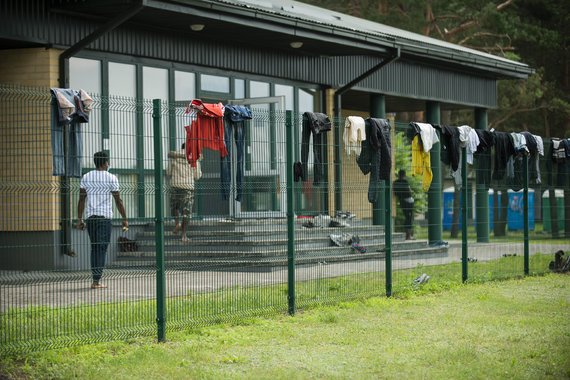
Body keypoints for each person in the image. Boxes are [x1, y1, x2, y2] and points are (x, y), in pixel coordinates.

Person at [77, 151, 128, 289]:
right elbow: (118, 200)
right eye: (108, 162)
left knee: (95, 247)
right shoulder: (111, 178)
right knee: (102, 248)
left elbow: (82, 199)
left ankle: (95, 278)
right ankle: (96, 280)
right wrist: (124, 218)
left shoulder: (86, 177)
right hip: (104, 218)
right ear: (105, 162)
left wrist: (79, 219)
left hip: (90, 218)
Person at [167, 143, 201, 242]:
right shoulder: (194, 158)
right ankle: (183, 235)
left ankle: (177, 222)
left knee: (174, 207)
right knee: (187, 212)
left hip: (175, 185)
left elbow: (168, 172)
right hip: (188, 187)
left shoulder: (174, 156)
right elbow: (197, 176)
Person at [393, 169, 415, 240]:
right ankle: (408, 235)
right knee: (410, 218)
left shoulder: (395, 182)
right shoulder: (405, 181)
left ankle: (407, 235)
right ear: (404, 174)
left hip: (402, 201)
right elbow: (409, 191)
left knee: (407, 217)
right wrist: (411, 191)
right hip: (408, 201)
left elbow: (395, 193)